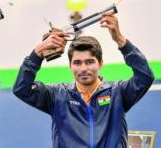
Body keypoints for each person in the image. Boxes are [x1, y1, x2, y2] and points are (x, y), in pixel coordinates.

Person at [13, 13, 154, 147]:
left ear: (100, 63)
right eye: (77, 63)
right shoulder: (57, 95)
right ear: (70, 66)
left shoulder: (118, 93)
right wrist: (37, 53)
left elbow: (145, 76)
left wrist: (120, 40)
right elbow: (21, 89)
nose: (83, 68)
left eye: (89, 62)